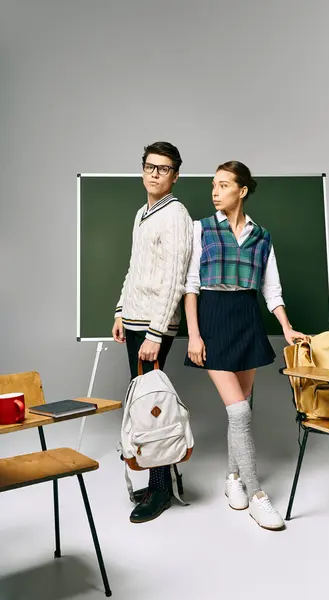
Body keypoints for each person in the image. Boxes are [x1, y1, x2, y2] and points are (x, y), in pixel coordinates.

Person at [184, 161, 306, 530]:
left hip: (247, 319)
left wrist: (285, 326)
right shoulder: (199, 229)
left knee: (241, 410)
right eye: (213, 186)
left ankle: (232, 478)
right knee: (239, 413)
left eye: (223, 185)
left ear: (242, 190)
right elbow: (190, 285)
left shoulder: (262, 236)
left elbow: (272, 290)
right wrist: (194, 334)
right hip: (213, 319)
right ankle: (257, 496)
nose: (215, 191)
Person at [112, 141, 193, 523]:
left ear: (174, 175)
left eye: (163, 168)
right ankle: (156, 477)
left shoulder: (175, 214)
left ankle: (160, 490)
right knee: (143, 402)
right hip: (134, 319)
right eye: (150, 166)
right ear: (143, 169)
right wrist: (119, 311)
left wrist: (157, 333)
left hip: (152, 326)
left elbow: (175, 278)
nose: (155, 173)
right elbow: (134, 267)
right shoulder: (142, 213)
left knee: (152, 408)